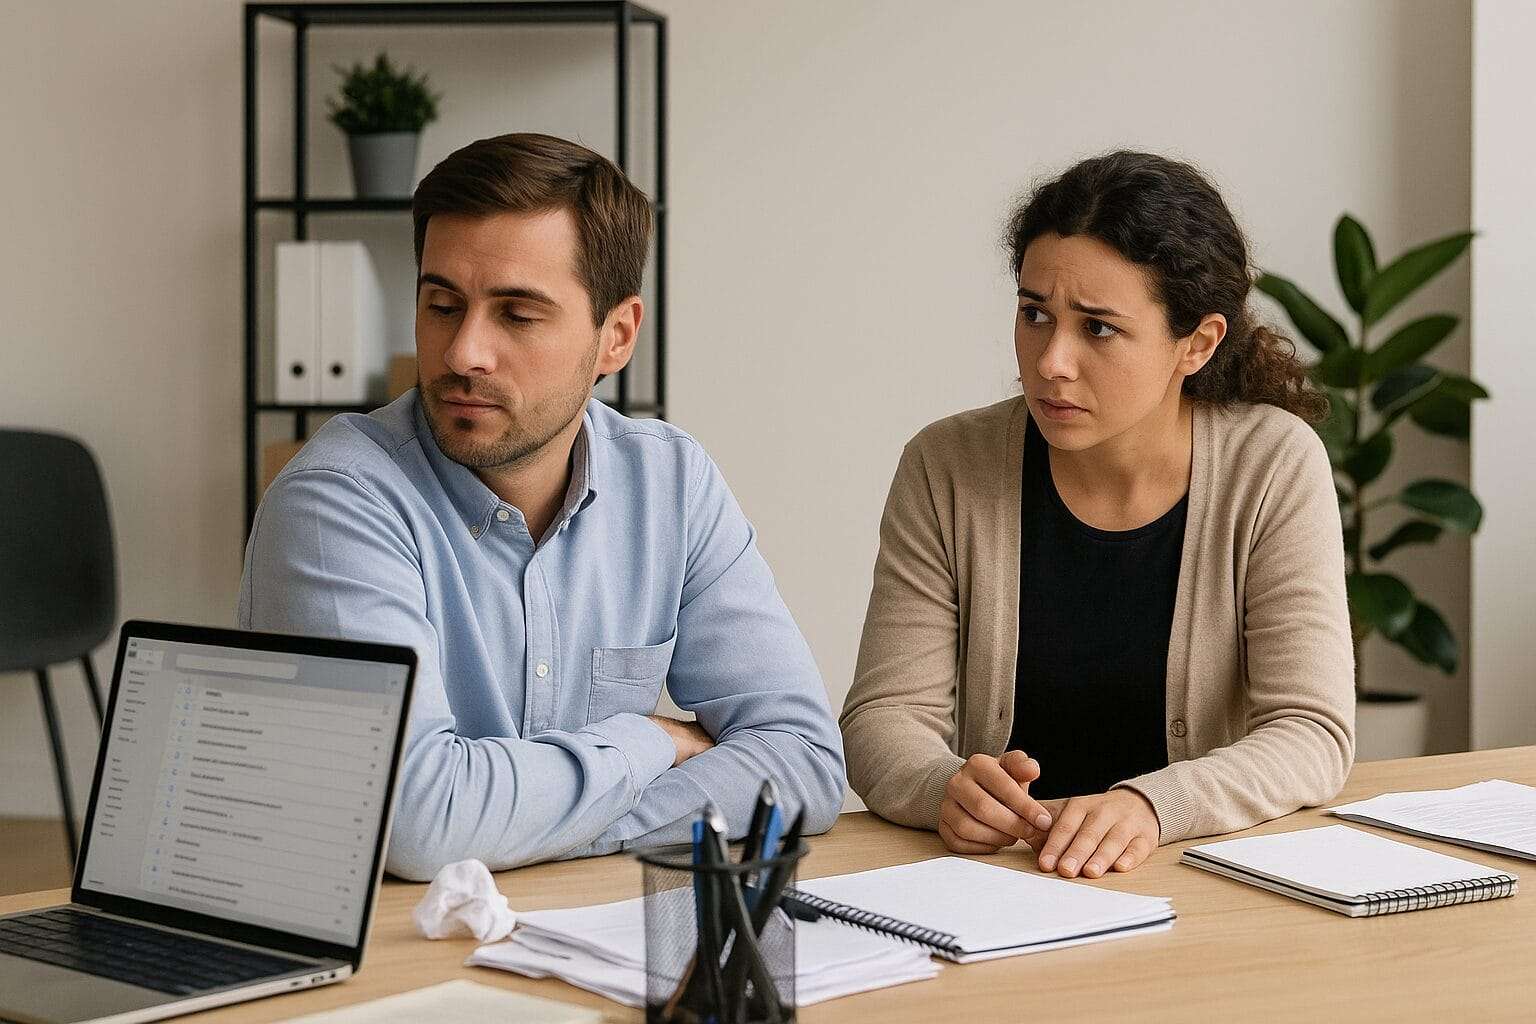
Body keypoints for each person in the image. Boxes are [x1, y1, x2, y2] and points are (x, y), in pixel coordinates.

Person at [240, 133, 845, 880]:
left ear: (616, 337)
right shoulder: (335, 503)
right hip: (388, 956)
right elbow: (416, 823)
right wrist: (647, 743)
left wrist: (527, 823)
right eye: (441, 305)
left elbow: (805, 760)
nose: (463, 352)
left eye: (517, 315)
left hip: (587, 934)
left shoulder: (672, 484)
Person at [841, 151, 1354, 880]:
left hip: (1196, 881)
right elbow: (882, 718)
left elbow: (1311, 732)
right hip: (1001, 884)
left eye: (1099, 329)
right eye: (1034, 315)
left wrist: (1151, 806)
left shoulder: (1271, 464)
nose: (1052, 360)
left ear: (1198, 343)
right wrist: (941, 787)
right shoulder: (947, 464)